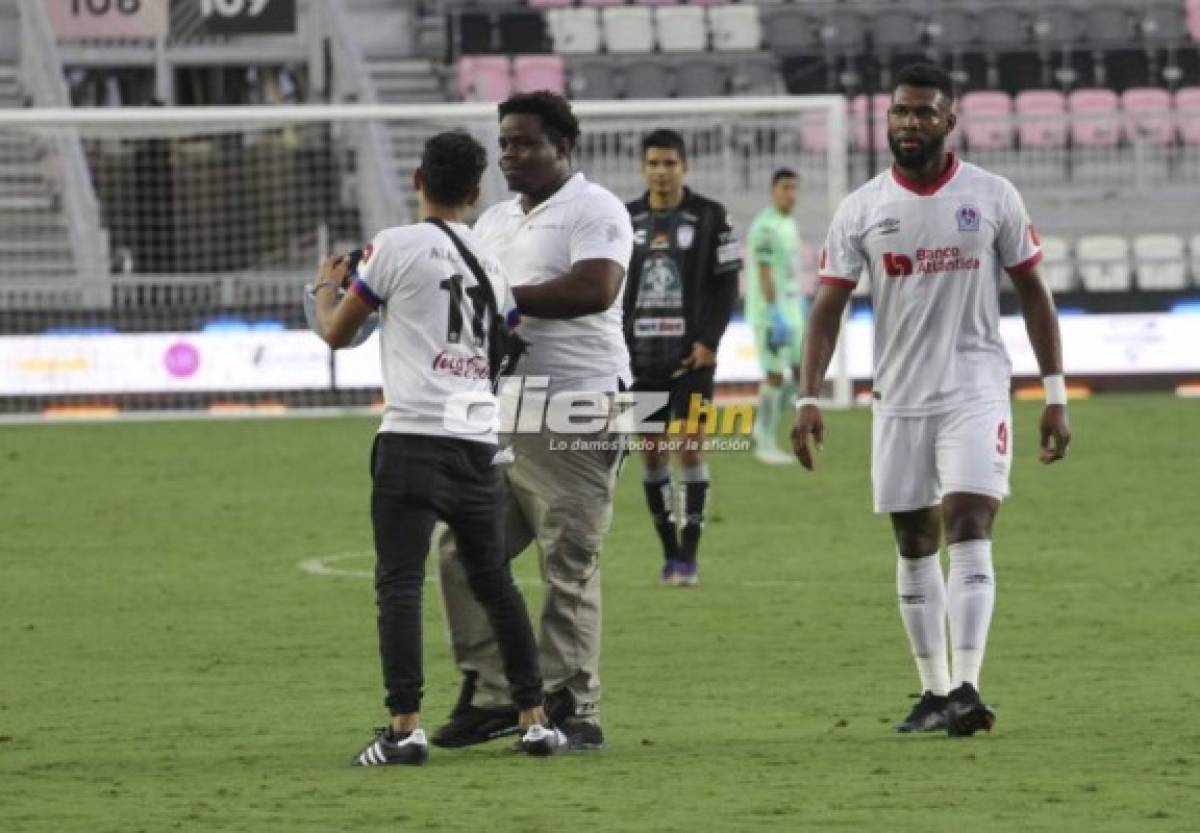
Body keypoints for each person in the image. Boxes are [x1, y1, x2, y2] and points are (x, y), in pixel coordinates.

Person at [791, 63, 1071, 736]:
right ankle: (933, 690)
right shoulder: (862, 207)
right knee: (915, 541)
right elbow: (827, 308)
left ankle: (969, 684)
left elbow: (1035, 293)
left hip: (975, 387)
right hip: (899, 397)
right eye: (899, 112)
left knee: (970, 522)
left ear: (950, 121)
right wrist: (807, 396)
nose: (909, 123)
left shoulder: (993, 195)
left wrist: (1054, 392)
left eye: (923, 113)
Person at [309, 131, 567, 765]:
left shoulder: (393, 246)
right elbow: (507, 341)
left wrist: (323, 289)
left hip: (411, 439)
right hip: (476, 442)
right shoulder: (491, 260)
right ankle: (535, 720)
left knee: (399, 582)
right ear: (477, 193)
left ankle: (404, 729)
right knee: (494, 581)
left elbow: (340, 335)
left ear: (417, 180)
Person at [433, 92, 633, 751]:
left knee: (566, 558)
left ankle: (576, 705)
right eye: (504, 143)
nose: (509, 154)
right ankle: (494, 692)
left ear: (563, 147)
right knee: (462, 548)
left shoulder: (594, 208)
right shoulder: (491, 220)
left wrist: (502, 301)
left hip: (579, 407)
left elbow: (596, 287)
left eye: (524, 142)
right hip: (504, 412)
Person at [623, 129, 741, 587]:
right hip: (641, 360)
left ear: (683, 167)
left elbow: (728, 283)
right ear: (643, 168)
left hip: (692, 359)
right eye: (653, 163)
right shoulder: (626, 218)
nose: (661, 171)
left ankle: (689, 556)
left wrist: (709, 341)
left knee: (690, 445)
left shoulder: (711, 217)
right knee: (651, 456)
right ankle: (668, 551)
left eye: (669, 163)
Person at [745, 169, 805, 465]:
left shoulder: (788, 223)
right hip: (771, 314)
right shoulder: (765, 227)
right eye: (784, 187)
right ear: (773, 191)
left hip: (792, 310)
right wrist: (773, 312)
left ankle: (762, 427)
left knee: (801, 372)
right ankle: (764, 441)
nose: (790, 194)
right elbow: (765, 273)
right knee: (775, 375)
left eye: (794, 188)